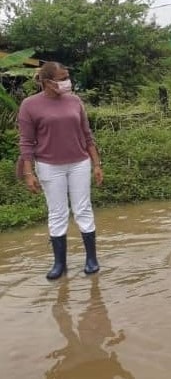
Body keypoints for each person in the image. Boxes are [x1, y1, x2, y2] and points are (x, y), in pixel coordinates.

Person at [17, 61, 103, 280]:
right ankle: (59, 264)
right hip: (48, 165)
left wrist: (96, 164)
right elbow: (26, 142)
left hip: (79, 163)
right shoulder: (30, 105)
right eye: (62, 78)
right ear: (47, 82)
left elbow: (87, 134)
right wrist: (28, 173)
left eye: (67, 77)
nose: (67, 82)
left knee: (83, 209)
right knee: (57, 213)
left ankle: (91, 259)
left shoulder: (75, 101)